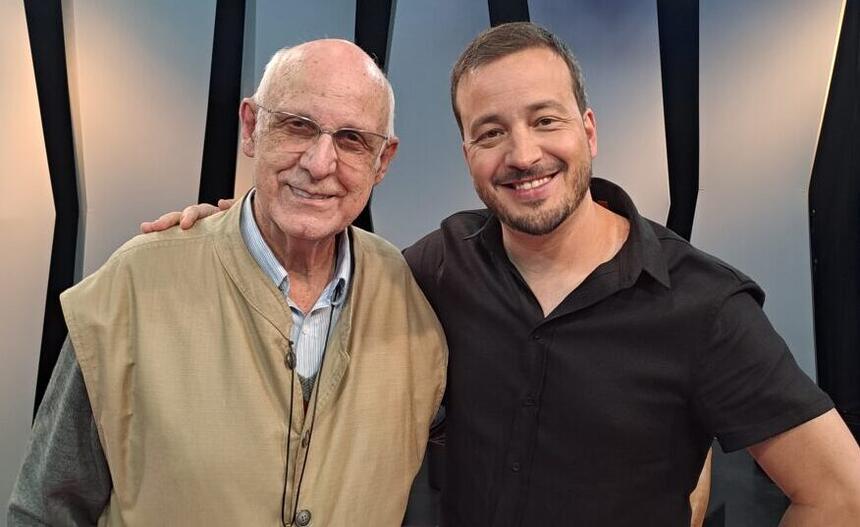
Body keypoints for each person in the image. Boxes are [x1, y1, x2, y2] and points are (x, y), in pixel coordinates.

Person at [138, 23, 860, 526]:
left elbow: (840, 494)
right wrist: (228, 224)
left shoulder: (703, 303)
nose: (522, 153)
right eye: (491, 131)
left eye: (545, 121)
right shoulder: (438, 265)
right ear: (466, 151)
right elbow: (321, 261)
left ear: (588, 130)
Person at [8, 40, 446, 526]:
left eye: (351, 139)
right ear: (252, 127)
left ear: (382, 162)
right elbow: (44, 511)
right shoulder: (133, 290)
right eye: (297, 125)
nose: (321, 164)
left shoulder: (413, 302)